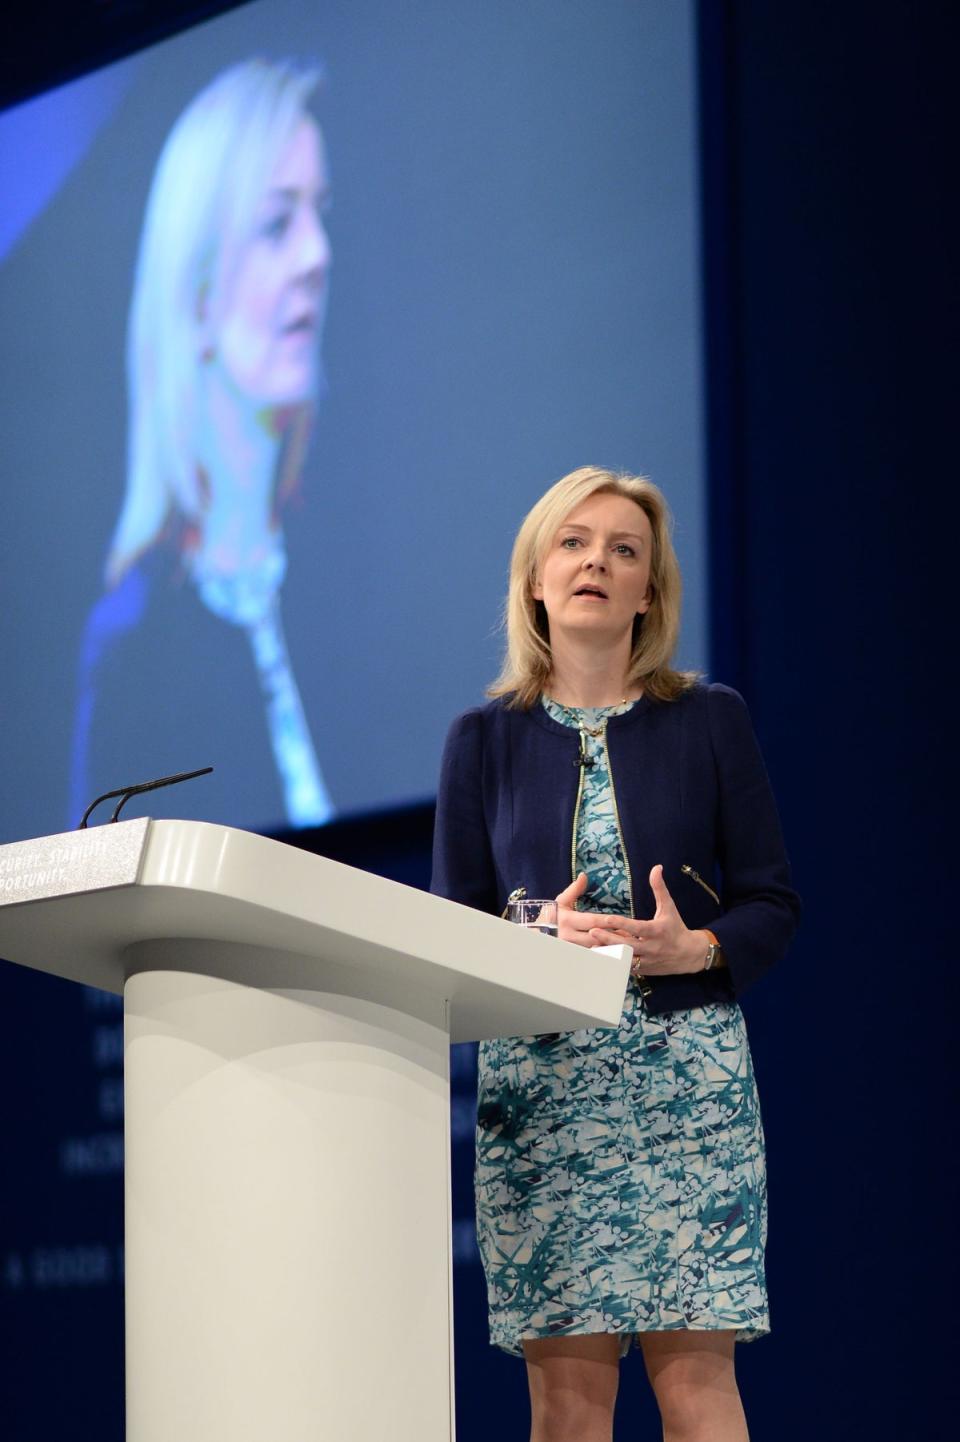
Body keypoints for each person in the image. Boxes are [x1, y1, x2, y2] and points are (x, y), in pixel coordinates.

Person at [432, 466, 800, 1442]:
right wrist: (532, 935)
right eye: (574, 542)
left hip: (688, 1084)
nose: (597, 559)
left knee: (697, 1390)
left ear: (650, 592)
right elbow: (447, 926)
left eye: (624, 549)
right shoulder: (481, 739)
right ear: (536, 580)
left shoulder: (710, 717)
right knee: (568, 1405)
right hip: (547, 1094)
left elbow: (772, 901)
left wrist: (701, 946)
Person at [70, 58, 335, 829]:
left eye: (324, 214)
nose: (316, 257)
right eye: (277, 225)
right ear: (192, 291)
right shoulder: (135, 646)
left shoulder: (342, 563)